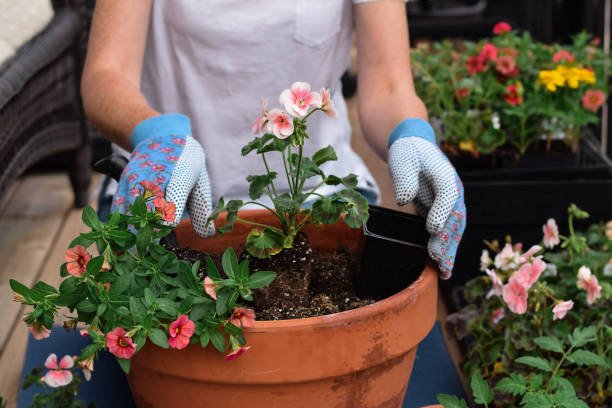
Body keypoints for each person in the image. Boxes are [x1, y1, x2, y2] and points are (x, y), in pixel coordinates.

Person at [81, 0, 465, 278]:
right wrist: (155, 133)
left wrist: (411, 134)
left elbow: (389, 84)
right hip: (170, 195)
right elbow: (105, 74)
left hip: (318, 202)